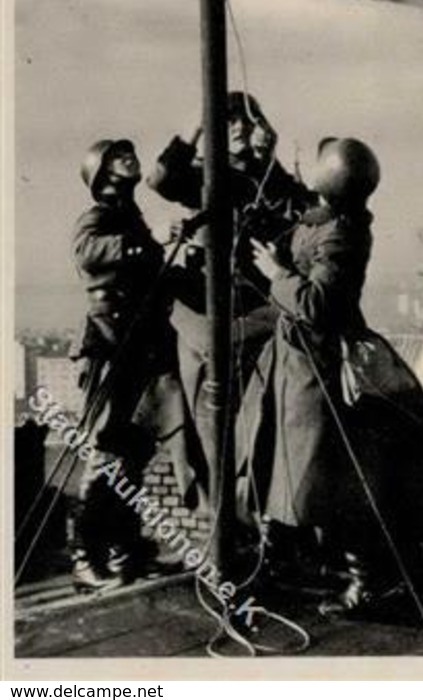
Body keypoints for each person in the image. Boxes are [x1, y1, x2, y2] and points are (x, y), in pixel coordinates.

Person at [245, 137, 423, 613]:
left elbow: (318, 305)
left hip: (319, 369)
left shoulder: (343, 233)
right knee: (281, 464)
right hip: (294, 364)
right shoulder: (326, 222)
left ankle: (369, 580)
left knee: (330, 475)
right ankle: (275, 566)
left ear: (331, 180)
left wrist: (276, 272)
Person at [147, 92, 313, 511]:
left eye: (246, 119)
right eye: (228, 119)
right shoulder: (203, 175)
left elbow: (304, 208)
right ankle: (217, 517)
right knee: (209, 411)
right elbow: (162, 179)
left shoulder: (265, 175)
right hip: (207, 307)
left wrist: (270, 157)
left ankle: (255, 516)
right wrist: (194, 129)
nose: (239, 126)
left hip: (252, 307)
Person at [70, 138, 193, 590]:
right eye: (118, 155)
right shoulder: (100, 215)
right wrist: (147, 242)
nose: (130, 156)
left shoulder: (130, 215)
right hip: (111, 349)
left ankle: (125, 555)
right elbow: (86, 251)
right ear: (101, 173)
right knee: (104, 454)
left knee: (131, 457)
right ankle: (85, 557)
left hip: (139, 348)